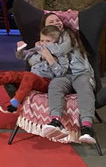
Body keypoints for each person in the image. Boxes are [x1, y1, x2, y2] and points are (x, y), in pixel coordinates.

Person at [0, 24, 70, 113]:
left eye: (48, 41)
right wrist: (20, 49)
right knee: (13, 74)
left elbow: (61, 73)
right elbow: (22, 56)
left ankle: (15, 102)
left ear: (56, 42)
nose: (44, 44)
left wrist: (50, 60)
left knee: (29, 76)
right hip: (30, 77)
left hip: (46, 81)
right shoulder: (37, 49)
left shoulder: (61, 55)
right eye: (42, 40)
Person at [40, 12, 97, 145]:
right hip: (63, 75)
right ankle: (55, 121)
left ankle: (87, 127)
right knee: (55, 85)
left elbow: (60, 50)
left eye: (57, 20)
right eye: (51, 22)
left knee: (84, 87)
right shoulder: (46, 40)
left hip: (80, 73)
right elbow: (34, 58)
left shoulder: (68, 35)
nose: (56, 23)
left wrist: (42, 48)